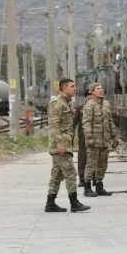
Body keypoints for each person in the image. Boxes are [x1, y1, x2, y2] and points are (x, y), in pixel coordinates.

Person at [45, 78, 91, 213]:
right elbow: (54, 125)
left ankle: (50, 202)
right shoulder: (57, 104)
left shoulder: (65, 104)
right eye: (72, 86)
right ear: (64, 88)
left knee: (57, 174)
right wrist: (60, 143)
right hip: (61, 146)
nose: (74, 88)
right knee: (70, 172)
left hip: (64, 144)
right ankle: (74, 202)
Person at [82, 82, 119, 197]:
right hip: (94, 140)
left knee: (103, 164)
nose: (101, 90)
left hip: (104, 140)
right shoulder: (89, 105)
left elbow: (110, 122)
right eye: (98, 89)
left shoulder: (106, 104)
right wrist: (89, 138)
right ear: (92, 92)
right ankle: (87, 187)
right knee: (91, 164)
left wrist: (114, 136)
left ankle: (99, 186)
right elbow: (86, 123)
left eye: (101, 88)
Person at [73, 88, 94, 188]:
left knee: (95, 157)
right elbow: (74, 122)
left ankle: (95, 178)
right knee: (82, 156)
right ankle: (82, 178)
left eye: (92, 95)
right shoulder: (80, 108)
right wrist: (71, 134)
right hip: (83, 136)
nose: (91, 97)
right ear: (86, 97)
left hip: (96, 136)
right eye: (89, 95)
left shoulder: (99, 108)